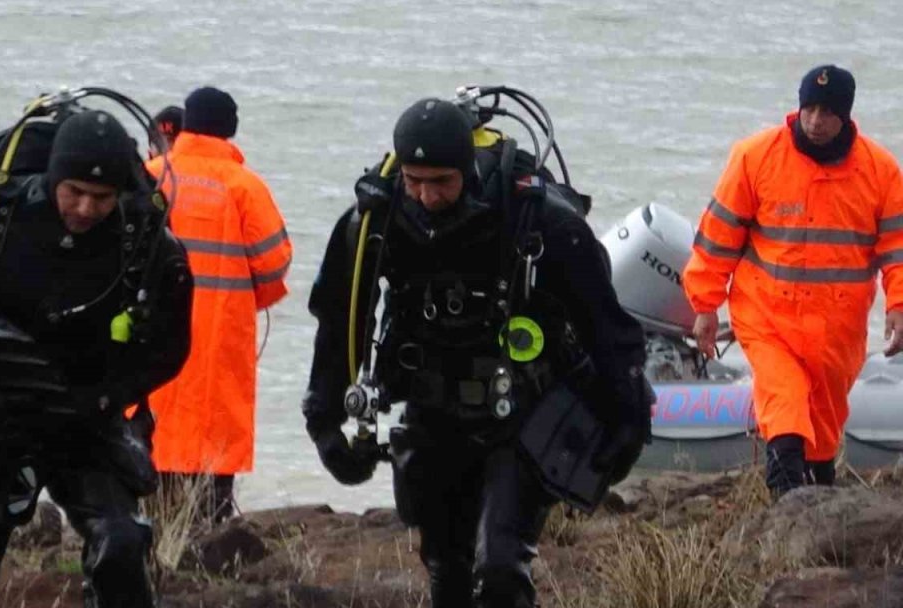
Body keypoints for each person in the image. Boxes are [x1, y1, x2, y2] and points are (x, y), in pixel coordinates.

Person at [303, 96, 649, 607]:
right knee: (447, 569)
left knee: (502, 570)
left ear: (466, 169)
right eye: (415, 181)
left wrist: (629, 419)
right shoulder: (375, 221)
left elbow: (606, 326)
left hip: (520, 414)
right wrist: (324, 419)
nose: (427, 196)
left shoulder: (536, 220)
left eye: (441, 182)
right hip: (432, 412)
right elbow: (338, 320)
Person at [0, 100, 193, 607]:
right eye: (74, 192)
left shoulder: (144, 240)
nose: (87, 209)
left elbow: (169, 346)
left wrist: (106, 396)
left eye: (102, 197)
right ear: (53, 180)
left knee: (120, 547)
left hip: (86, 414)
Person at [684, 64, 903, 498]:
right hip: (768, 315)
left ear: (846, 117)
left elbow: (896, 249)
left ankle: (819, 495)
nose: (815, 121)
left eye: (827, 112)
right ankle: (784, 498)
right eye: (809, 108)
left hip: (837, 326)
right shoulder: (755, 157)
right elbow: (718, 238)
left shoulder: (880, 171)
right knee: (783, 398)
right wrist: (705, 306)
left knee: (822, 427)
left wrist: (898, 305)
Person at [144, 87, 291, 523]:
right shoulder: (243, 186)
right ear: (230, 130)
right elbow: (274, 260)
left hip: (151, 328)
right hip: (220, 333)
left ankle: (150, 523)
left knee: (151, 423)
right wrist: (247, 300)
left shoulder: (148, 175)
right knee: (215, 430)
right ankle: (211, 525)